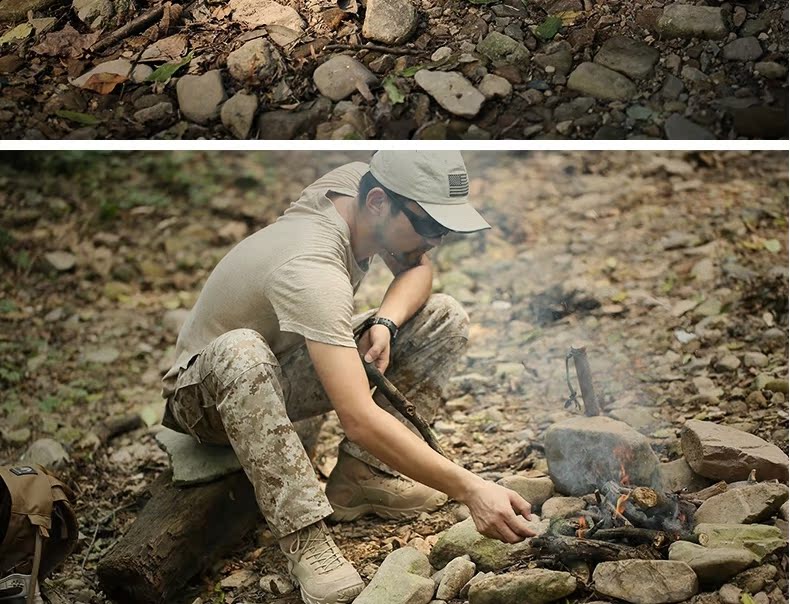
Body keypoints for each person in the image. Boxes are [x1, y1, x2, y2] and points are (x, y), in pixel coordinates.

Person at [161, 151, 536, 604]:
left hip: (281, 365)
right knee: (244, 351)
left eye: (444, 228)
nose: (435, 240)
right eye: (430, 226)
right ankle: (304, 536)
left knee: (443, 317)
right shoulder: (313, 270)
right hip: (204, 395)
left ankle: (361, 477)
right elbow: (357, 416)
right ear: (379, 202)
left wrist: (386, 324)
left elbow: (418, 268)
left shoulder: (361, 185)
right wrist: (472, 489)